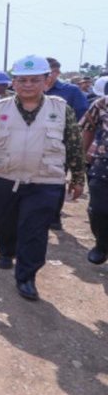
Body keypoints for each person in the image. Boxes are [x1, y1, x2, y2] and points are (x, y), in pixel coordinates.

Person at [0, 55, 85, 301]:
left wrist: (77, 177)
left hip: (46, 181)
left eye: (35, 80)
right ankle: (6, 250)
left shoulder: (61, 109)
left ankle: (26, 276)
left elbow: (75, 145)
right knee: (4, 223)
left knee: (34, 230)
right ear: (14, 82)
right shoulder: (0, 108)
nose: (28, 85)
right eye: (23, 80)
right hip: (5, 178)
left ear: (47, 80)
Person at [44, 57, 89, 230]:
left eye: (50, 72)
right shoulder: (33, 89)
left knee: (56, 179)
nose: (47, 76)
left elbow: (82, 116)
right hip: (35, 143)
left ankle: (54, 216)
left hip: (60, 144)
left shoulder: (70, 91)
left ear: (57, 72)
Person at [80, 85, 108, 264]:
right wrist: (82, 157)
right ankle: (102, 244)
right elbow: (88, 128)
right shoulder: (102, 104)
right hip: (103, 163)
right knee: (98, 210)